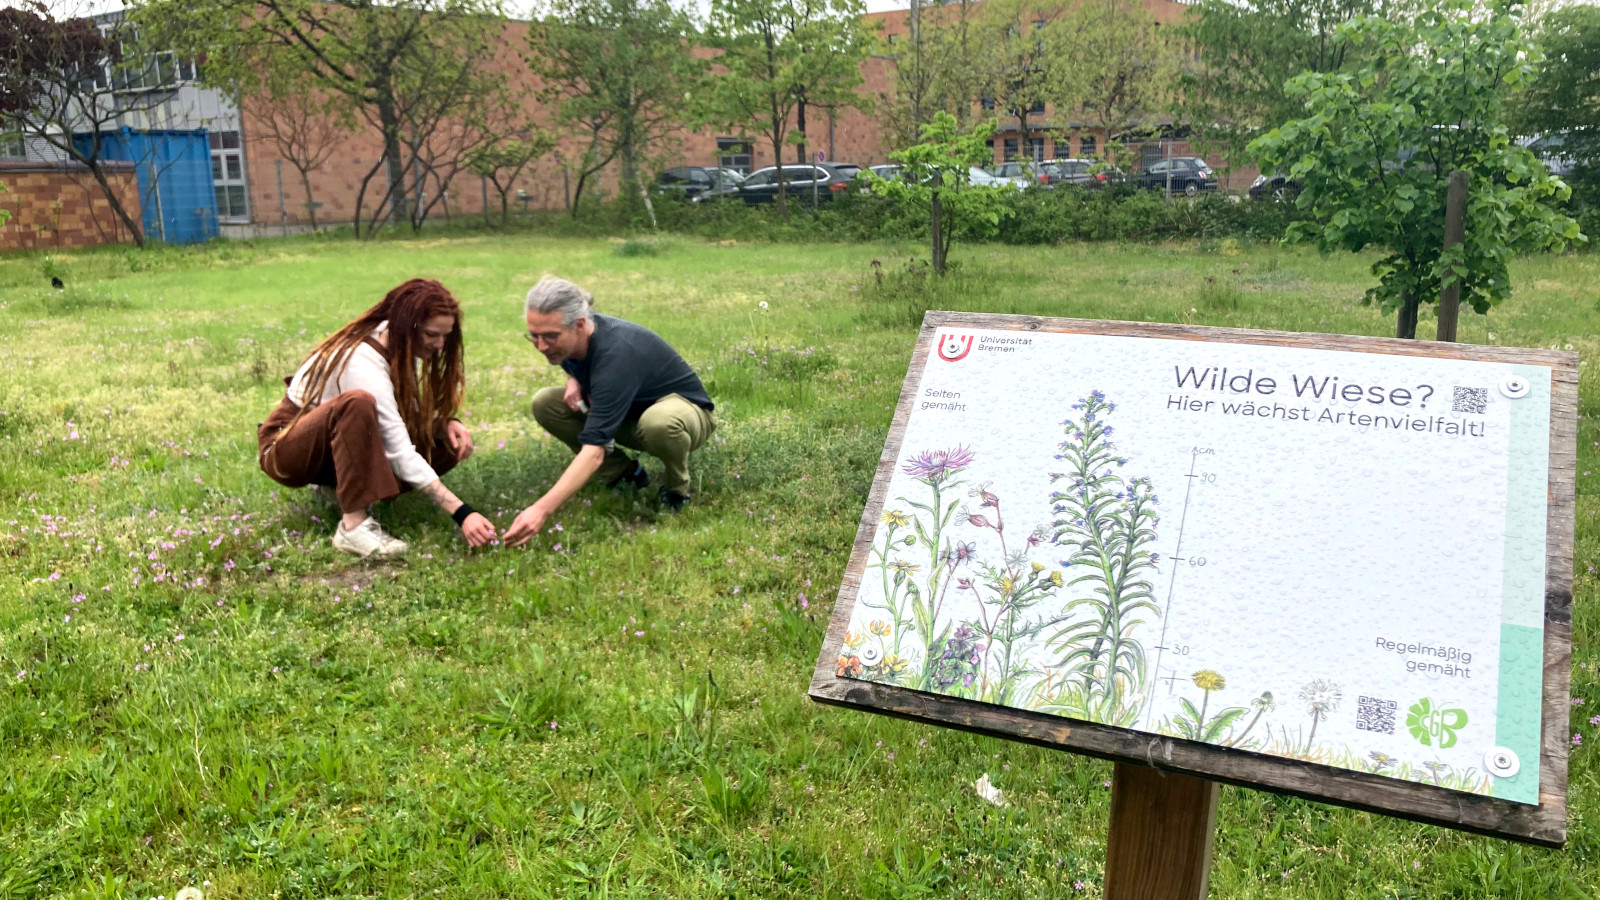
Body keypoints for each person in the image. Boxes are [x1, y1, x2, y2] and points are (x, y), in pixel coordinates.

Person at [257, 278, 497, 558]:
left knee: (444, 443)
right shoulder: (361, 360)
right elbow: (399, 451)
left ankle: (336, 489)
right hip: (286, 448)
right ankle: (352, 527)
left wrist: (445, 423)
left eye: (445, 336)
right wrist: (462, 512)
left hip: (328, 447)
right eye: (433, 335)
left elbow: (397, 418)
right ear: (408, 326)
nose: (440, 345)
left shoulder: (393, 341)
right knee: (357, 403)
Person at [504, 276, 714, 547]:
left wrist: (541, 510)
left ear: (579, 325)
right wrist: (575, 379)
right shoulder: (577, 336)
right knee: (545, 402)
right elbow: (580, 361)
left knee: (658, 424)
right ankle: (625, 474)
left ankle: (677, 489)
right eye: (534, 336)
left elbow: (594, 450)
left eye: (550, 337)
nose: (541, 346)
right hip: (630, 414)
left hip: (686, 415)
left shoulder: (616, 355)